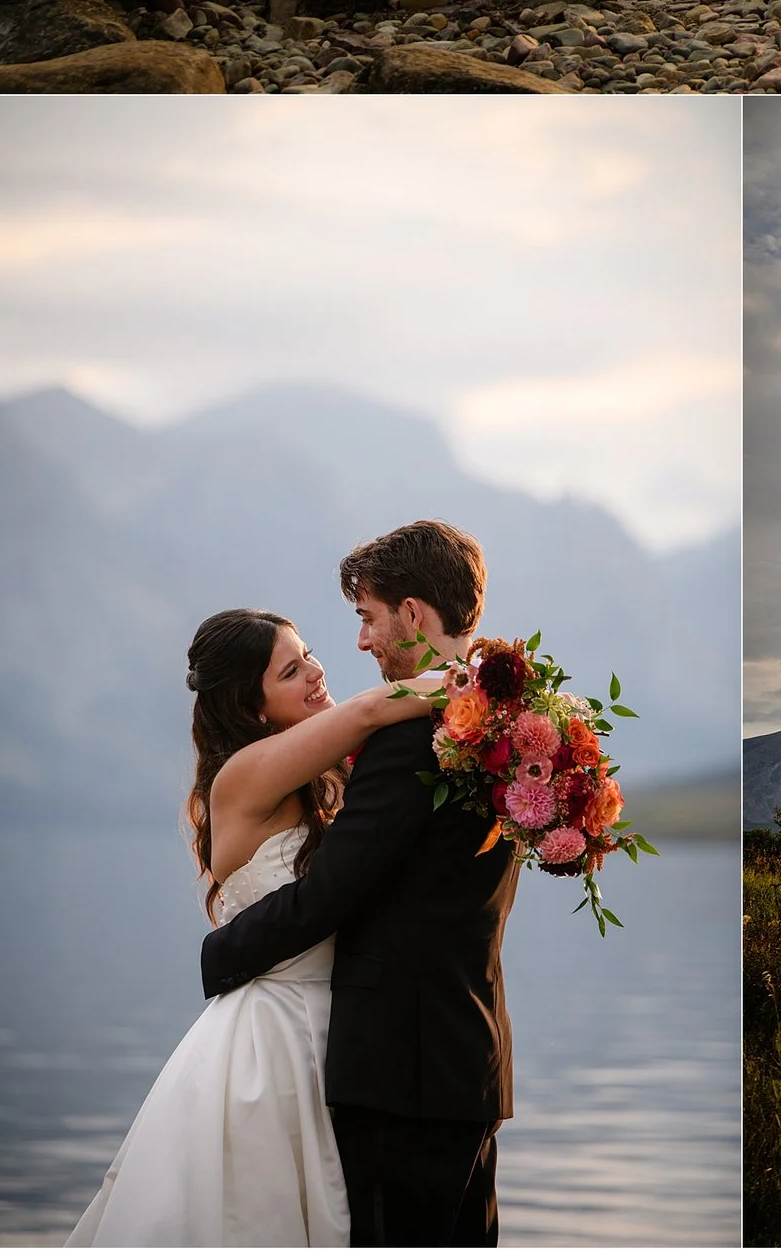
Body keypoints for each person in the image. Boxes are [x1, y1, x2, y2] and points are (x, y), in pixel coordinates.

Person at [65, 602, 444, 1246]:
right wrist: (471, 684)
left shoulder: (317, 778)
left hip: (337, 1027)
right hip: (269, 1046)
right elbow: (370, 711)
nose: (317, 674)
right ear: (251, 707)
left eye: (309, 654)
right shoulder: (242, 778)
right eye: (292, 671)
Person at [196, 521, 519, 1249]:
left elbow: (332, 892)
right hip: (467, 1057)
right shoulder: (506, 727)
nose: (357, 645)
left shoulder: (413, 736)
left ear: (411, 612)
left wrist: (217, 956)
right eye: (295, 666)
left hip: (397, 1073)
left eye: (365, 618)